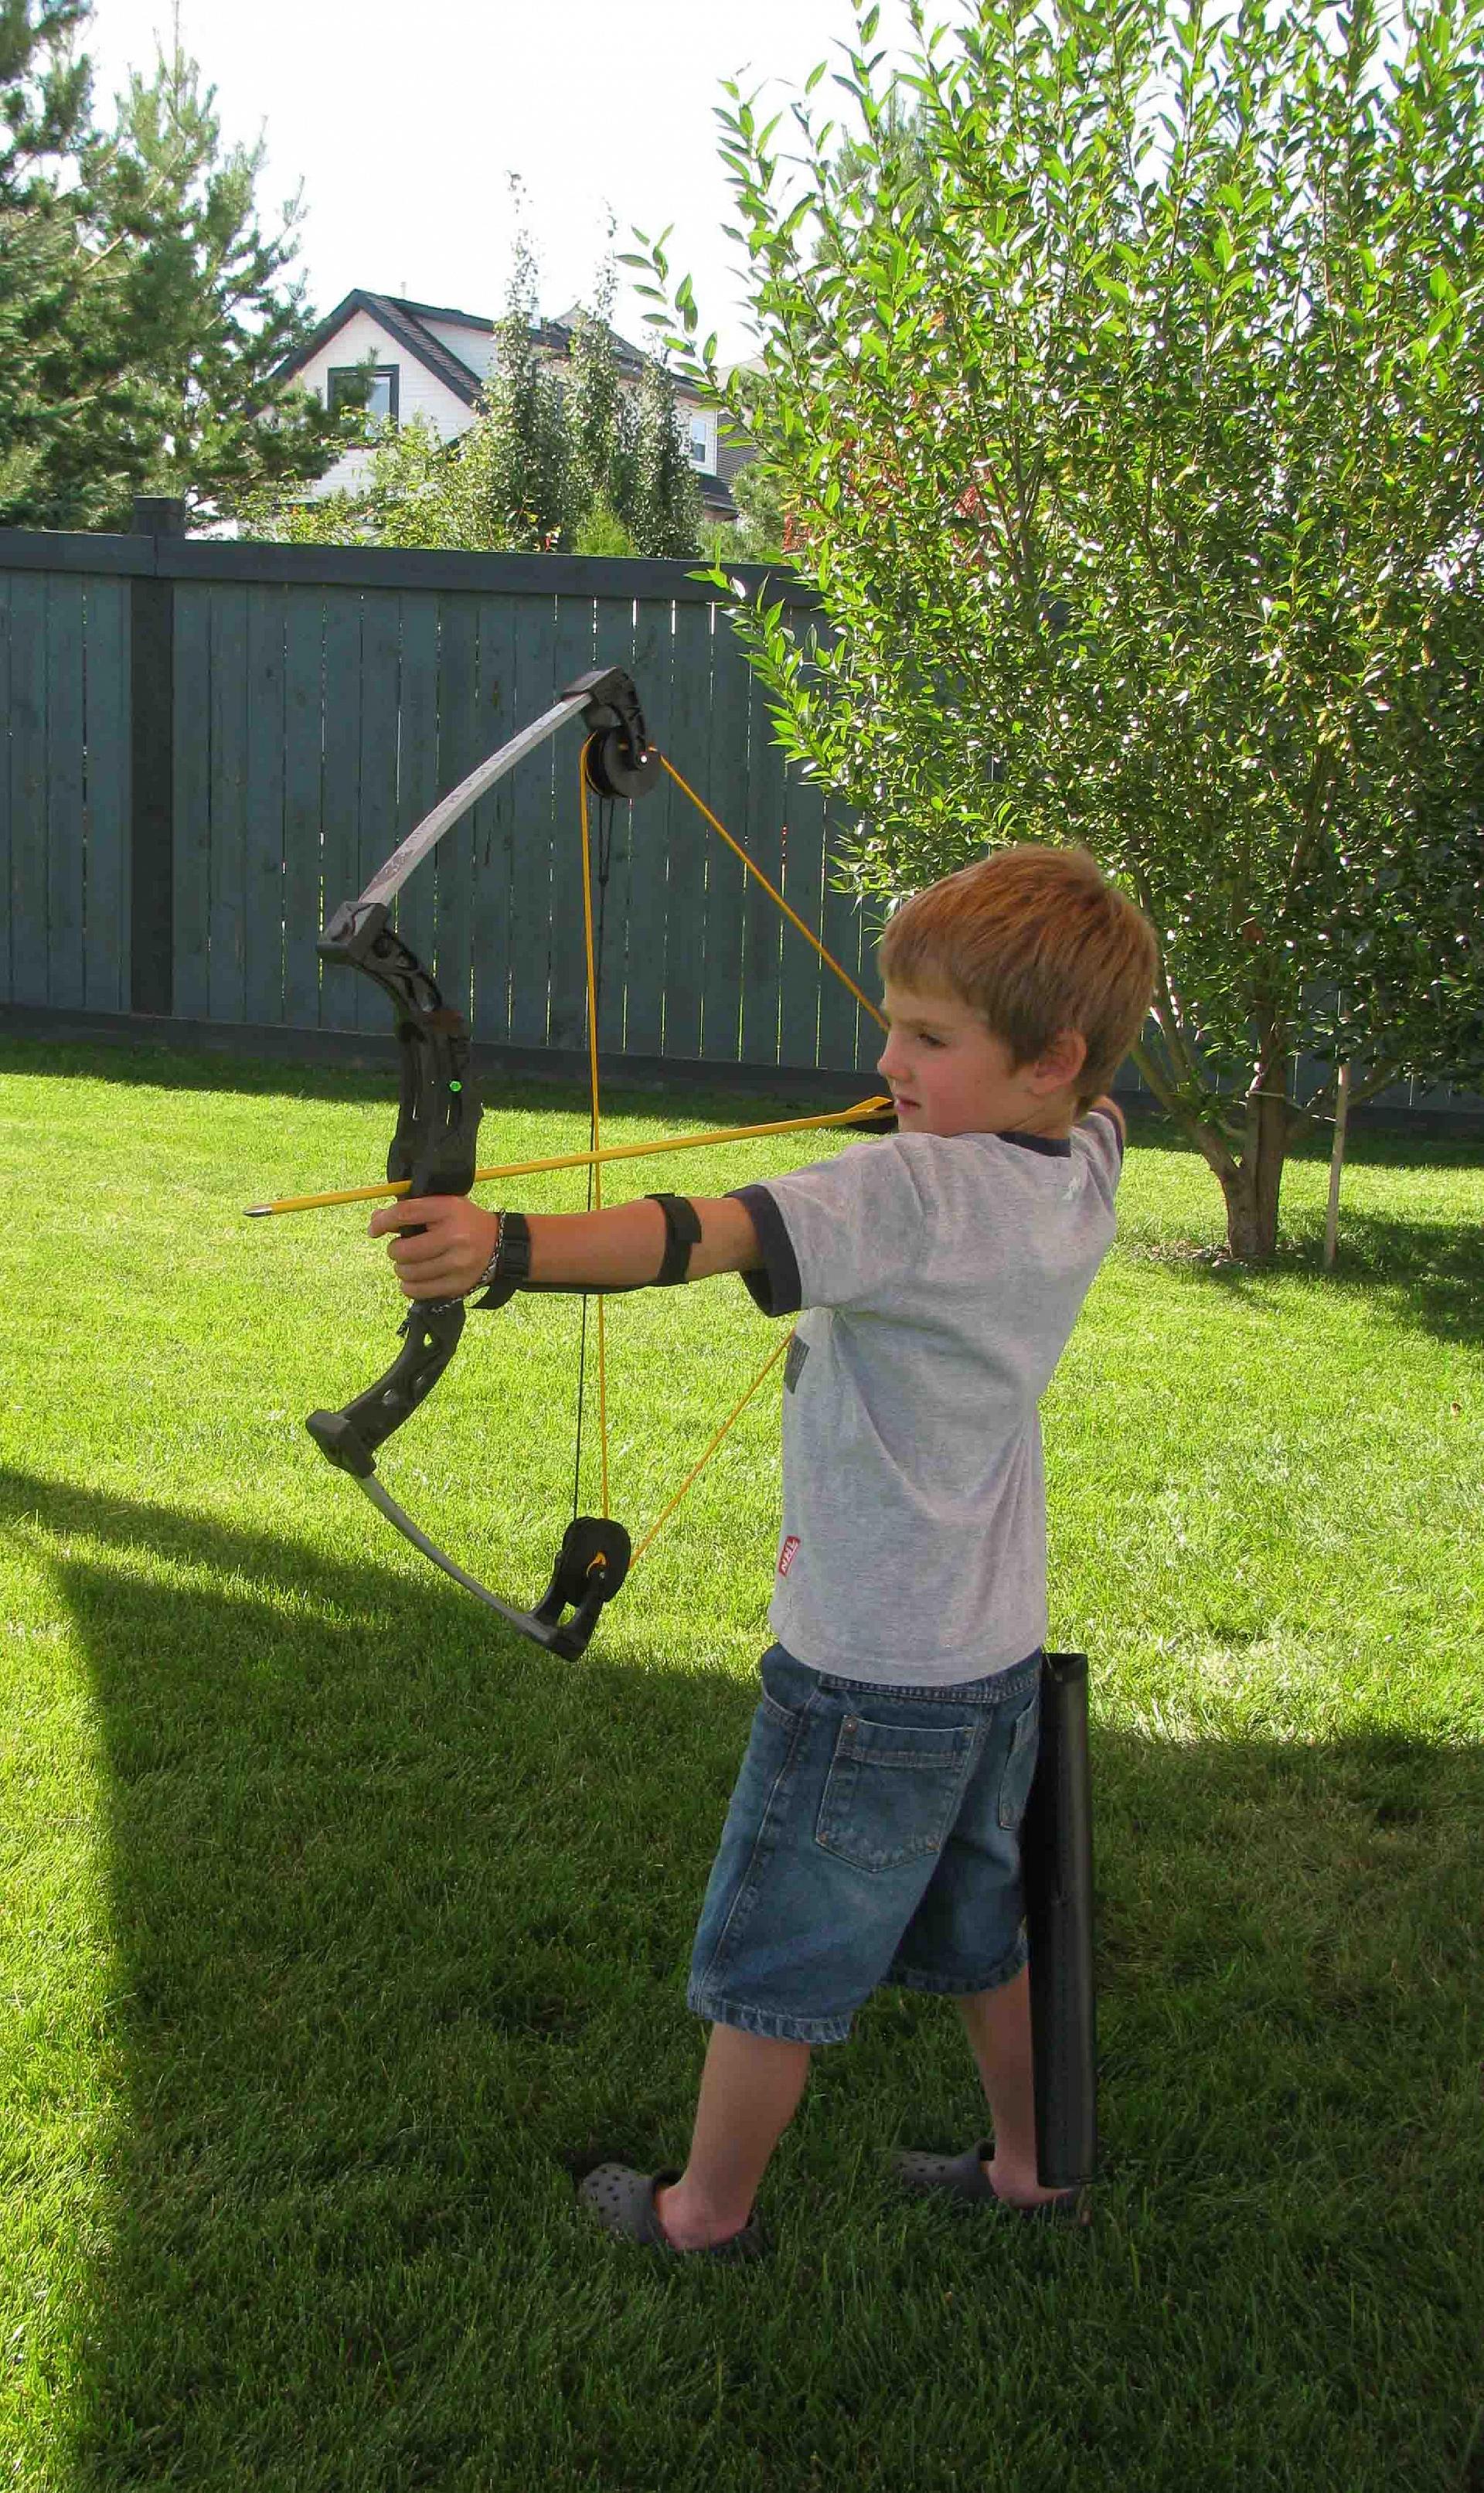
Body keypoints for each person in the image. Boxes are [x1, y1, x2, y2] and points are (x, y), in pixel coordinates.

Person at [369, 842, 1159, 2259]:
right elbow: (1031, 1127)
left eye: (931, 1037)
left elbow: (702, 1231)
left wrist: (502, 1244)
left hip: (863, 1673)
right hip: (987, 1662)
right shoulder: (1084, 1166)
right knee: (986, 1919)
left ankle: (700, 2212)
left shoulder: (912, 1200)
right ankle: (1036, 2166)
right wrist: (956, 1093)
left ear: (1052, 1060)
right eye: (894, 1022)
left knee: (770, 1960)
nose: (891, 1058)